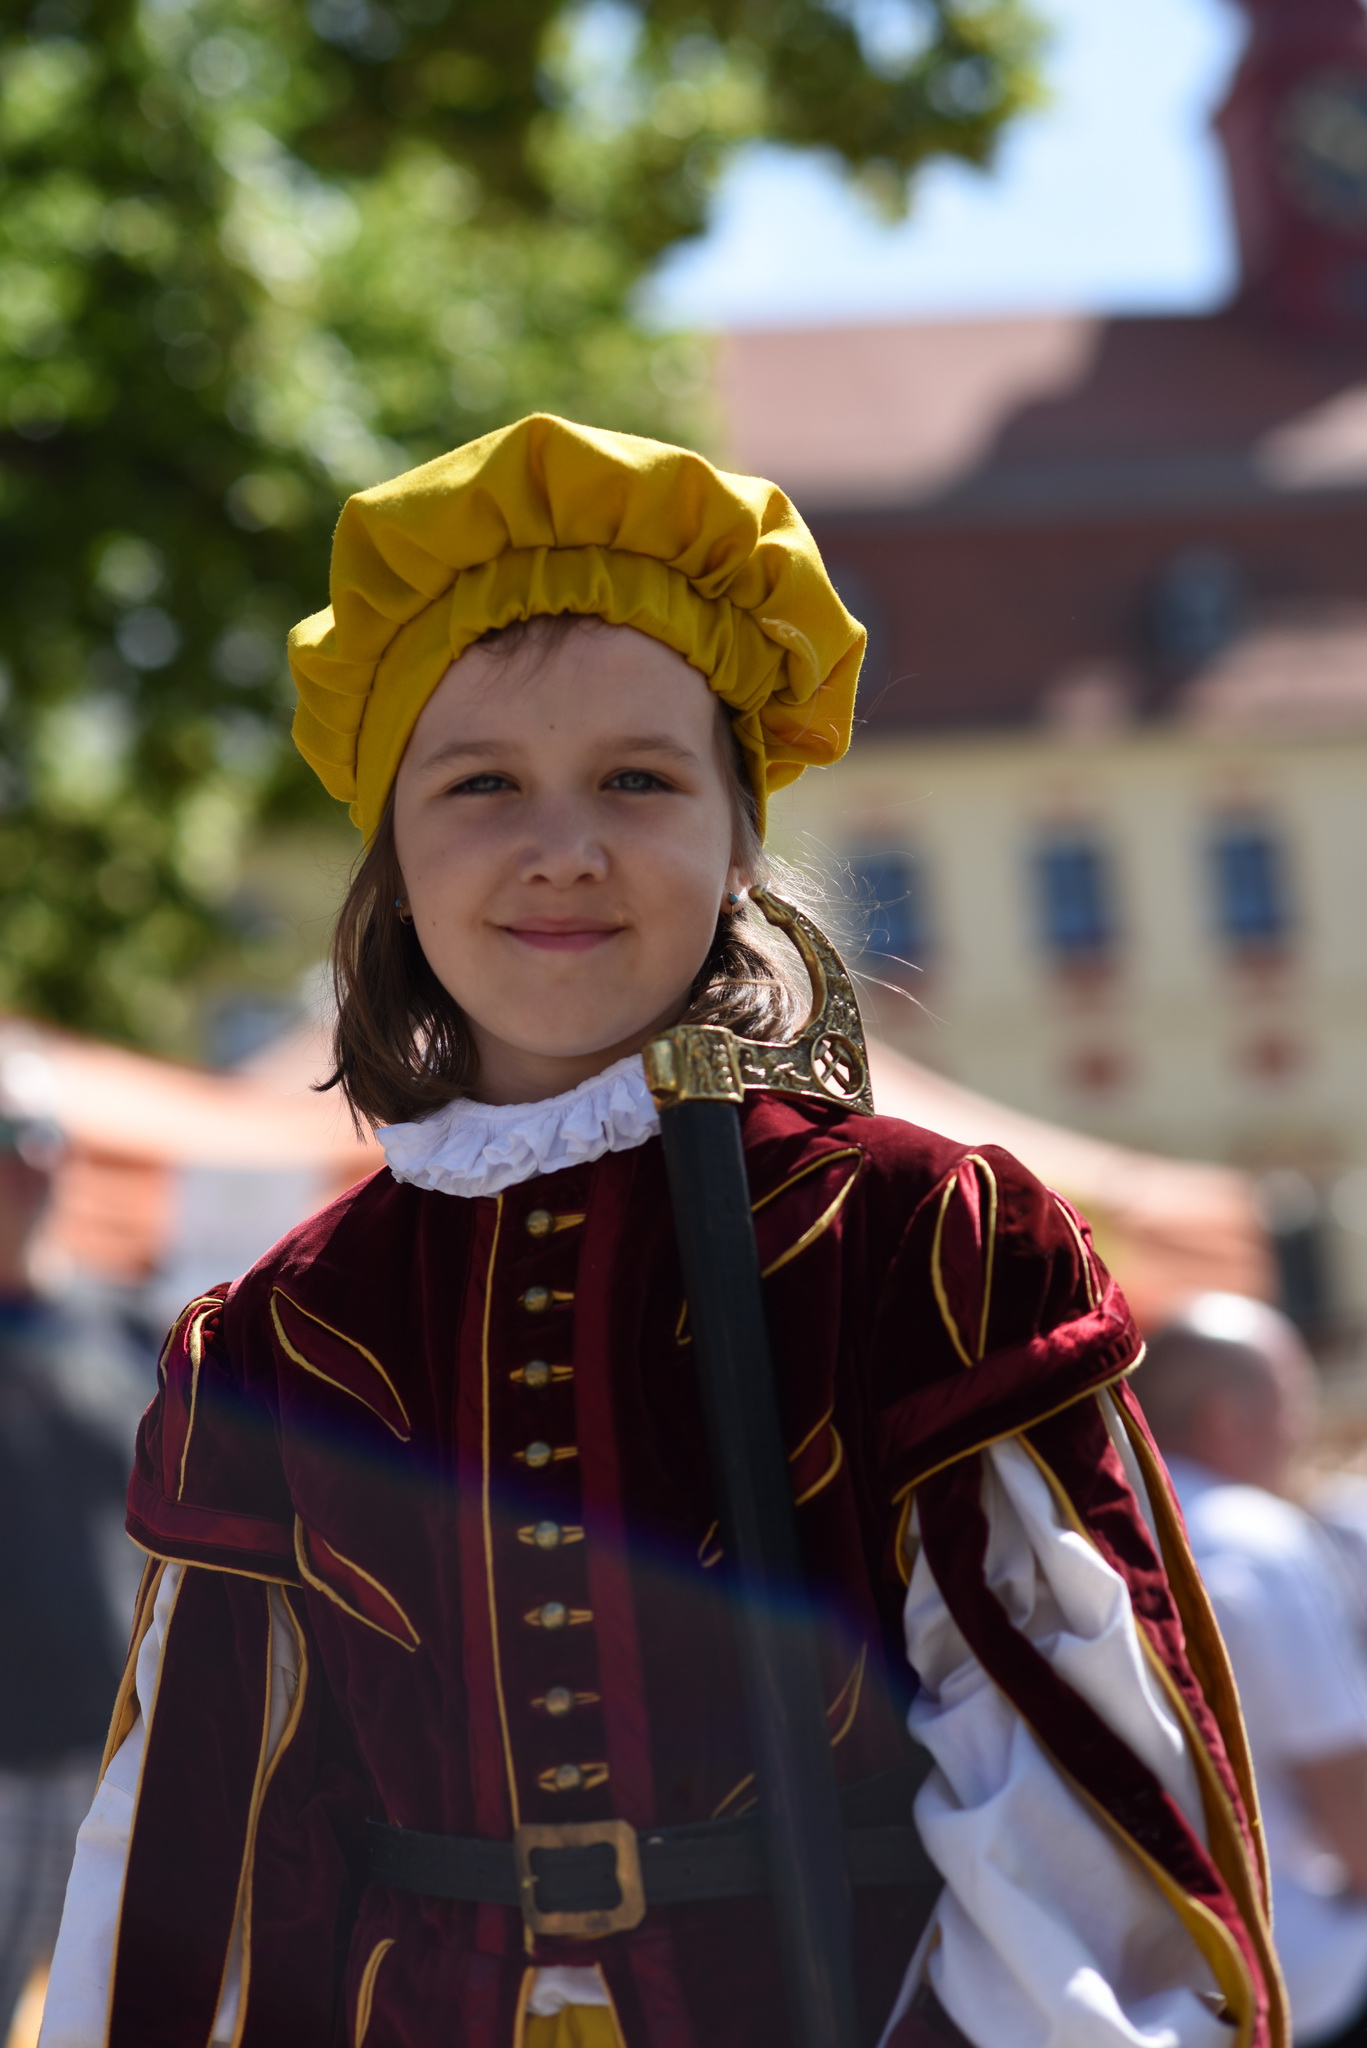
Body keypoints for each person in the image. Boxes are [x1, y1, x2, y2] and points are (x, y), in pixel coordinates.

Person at [42, 416, 1285, 2048]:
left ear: (737, 838)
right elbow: (201, 1843)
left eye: (637, 778)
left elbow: (1067, 1787)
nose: (563, 847)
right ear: (393, 851)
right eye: (480, 783)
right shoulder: (283, 1336)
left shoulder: (914, 1243)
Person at [1135, 1292, 1367, 2046]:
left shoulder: (1092, 1532)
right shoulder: (1256, 1540)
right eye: (1291, 1404)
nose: (1301, 1430)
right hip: (1287, 1978)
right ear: (1223, 1421)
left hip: (1123, 1979)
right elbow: (1350, 1802)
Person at [0, 1107, 135, 2042]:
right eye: (10, 1147)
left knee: (132, 2012)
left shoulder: (130, 1325)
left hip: (122, 1746)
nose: (31, 1167)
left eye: (47, 1145)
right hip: (6, 1756)